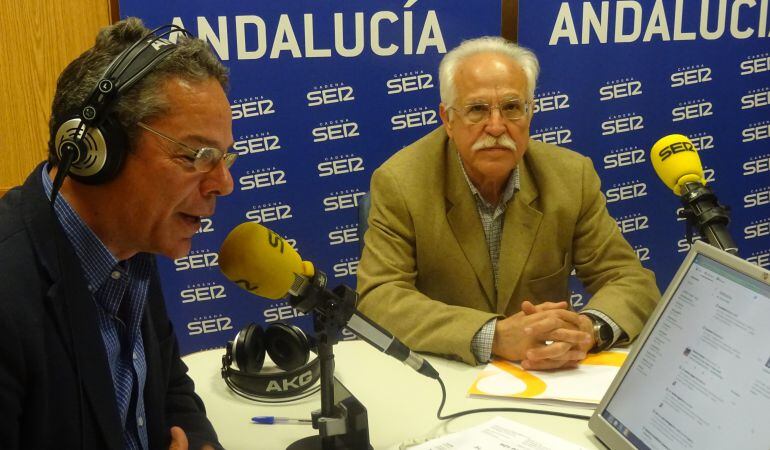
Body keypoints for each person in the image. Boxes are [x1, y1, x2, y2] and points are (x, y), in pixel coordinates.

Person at [0, 18, 235, 449]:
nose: (224, 183)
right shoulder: (8, 295)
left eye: (224, 157)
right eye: (196, 155)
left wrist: (200, 443)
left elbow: (170, 386)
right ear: (95, 150)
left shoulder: (129, 242)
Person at [356, 36, 660, 369]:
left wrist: (589, 329)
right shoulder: (401, 182)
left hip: (545, 372)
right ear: (447, 119)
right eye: (477, 109)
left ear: (530, 113)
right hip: (444, 370)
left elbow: (629, 279)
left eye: (512, 107)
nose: (496, 126)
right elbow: (379, 297)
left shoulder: (571, 176)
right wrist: (494, 336)